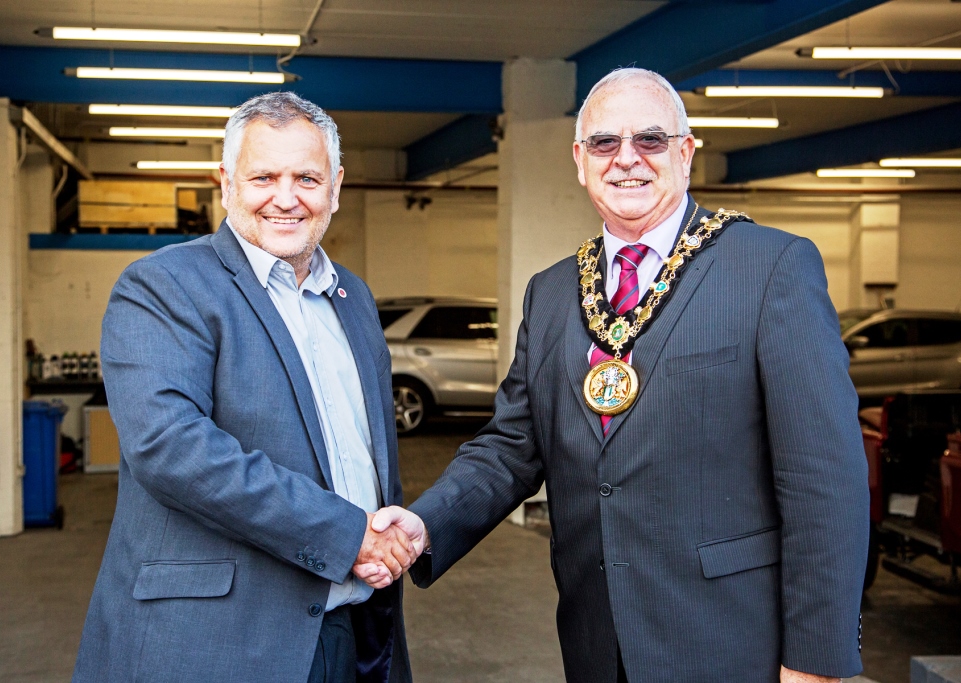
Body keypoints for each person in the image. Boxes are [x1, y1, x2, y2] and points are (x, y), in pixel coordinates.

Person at [356, 68, 870, 683]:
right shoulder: (552, 293)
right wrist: (423, 523)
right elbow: (513, 446)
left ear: (685, 152)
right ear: (580, 159)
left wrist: (815, 661)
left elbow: (824, 480)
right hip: (596, 644)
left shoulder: (770, 268)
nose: (627, 159)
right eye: (605, 143)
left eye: (650, 140)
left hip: (733, 645)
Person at [73, 92, 416, 683]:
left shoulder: (352, 297)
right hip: (219, 642)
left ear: (335, 187)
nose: (287, 198)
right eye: (264, 177)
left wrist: (387, 538)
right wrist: (347, 534)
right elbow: (172, 448)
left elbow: (363, 447)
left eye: (307, 177)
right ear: (226, 183)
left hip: (355, 625)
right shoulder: (164, 285)